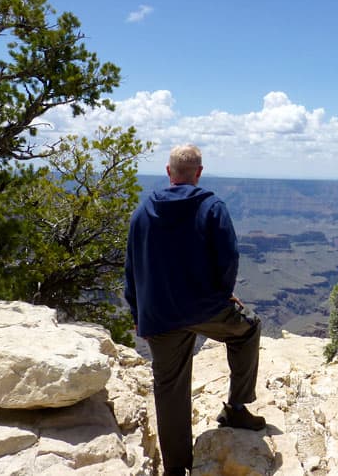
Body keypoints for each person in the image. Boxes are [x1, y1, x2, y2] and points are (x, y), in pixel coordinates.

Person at [124, 144, 265, 476]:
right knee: (248, 329)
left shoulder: (143, 212)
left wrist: (137, 313)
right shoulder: (212, 207)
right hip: (206, 309)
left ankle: (175, 468)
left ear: (169, 171)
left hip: (159, 315)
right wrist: (223, 295)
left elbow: (131, 269)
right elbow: (228, 258)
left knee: (169, 387)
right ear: (199, 173)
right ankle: (236, 407)